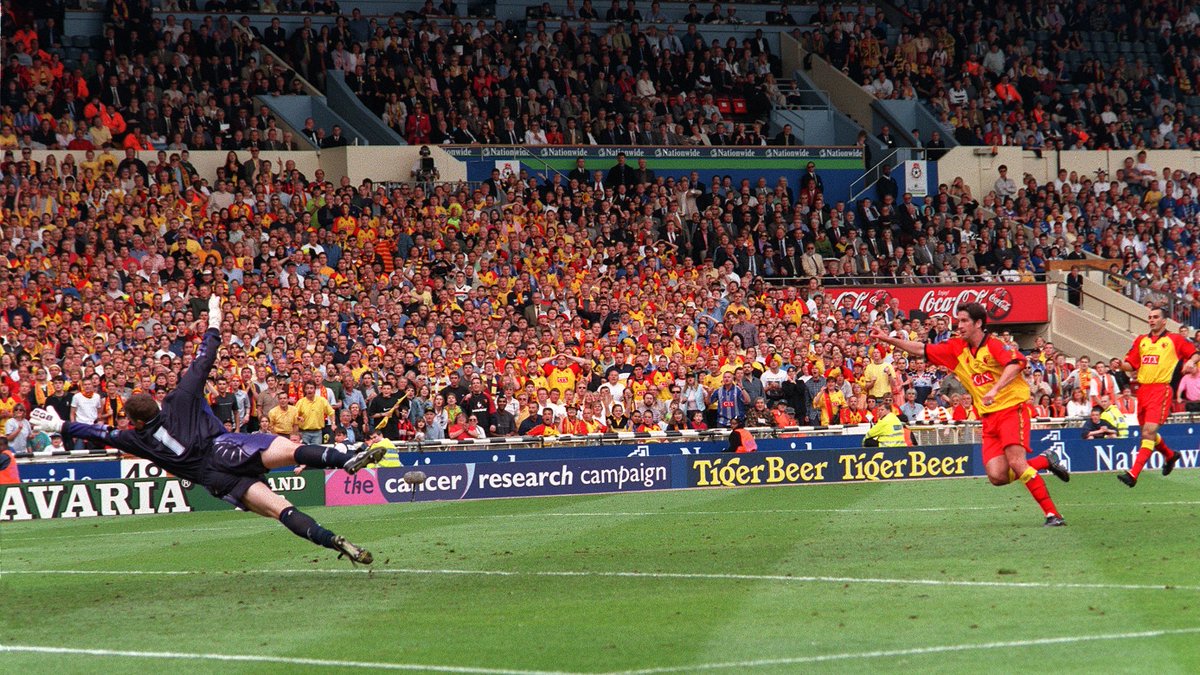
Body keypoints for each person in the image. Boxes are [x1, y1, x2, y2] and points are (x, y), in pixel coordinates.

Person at [30, 297, 386, 564]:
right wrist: (214, 320)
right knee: (290, 450)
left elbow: (97, 434)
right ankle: (345, 459)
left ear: (135, 421)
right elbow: (205, 357)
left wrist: (59, 424)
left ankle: (333, 540)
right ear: (155, 401)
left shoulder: (134, 439)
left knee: (282, 510)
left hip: (217, 479)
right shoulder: (180, 397)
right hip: (227, 446)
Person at [870, 303, 1069, 526]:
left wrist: (995, 389)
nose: (960, 325)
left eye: (965, 321)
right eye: (959, 321)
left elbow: (1015, 364)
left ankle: (1053, 514)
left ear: (978, 324)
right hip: (988, 417)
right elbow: (920, 349)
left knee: (1017, 462)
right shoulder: (956, 348)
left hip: (1012, 409)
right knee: (996, 476)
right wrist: (888, 340)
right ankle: (1044, 460)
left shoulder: (993, 345)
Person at [1116, 306, 1199, 487]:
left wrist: (1191, 362)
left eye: (1155, 317)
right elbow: (1132, 364)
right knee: (1148, 434)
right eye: (1150, 317)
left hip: (1161, 390)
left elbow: (1194, 353)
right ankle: (1170, 455)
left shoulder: (1174, 339)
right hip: (1143, 391)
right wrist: (1121, 365)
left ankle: (1133, 474)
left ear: (1164, 321)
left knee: (1148, 432)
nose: (1151, 320)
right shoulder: (1141, 341)